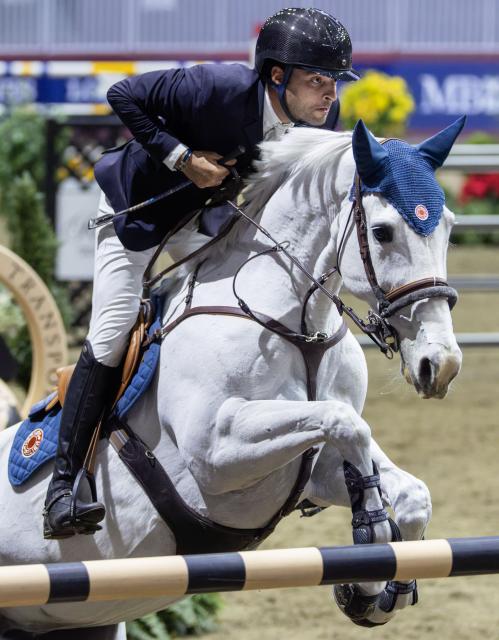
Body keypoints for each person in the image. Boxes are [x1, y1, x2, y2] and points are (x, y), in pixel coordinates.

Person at [43, 7, 360, 539]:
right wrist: (181, 156)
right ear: (276, 76)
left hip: (204, 219)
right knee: (113, 330)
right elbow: (123, 94)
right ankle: (64, 484)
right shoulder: (216, 87)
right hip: (138, 212)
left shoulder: (317, 120)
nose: (329, 96)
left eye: (333, 83)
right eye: (317, 82)